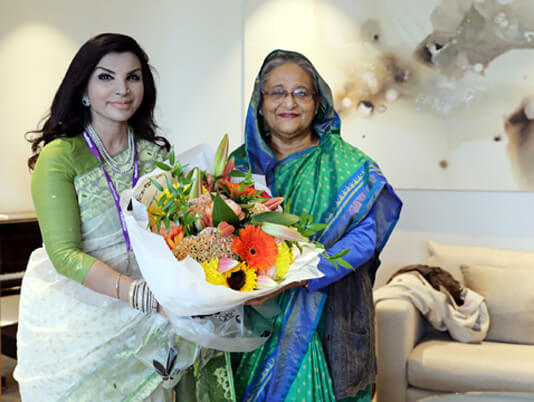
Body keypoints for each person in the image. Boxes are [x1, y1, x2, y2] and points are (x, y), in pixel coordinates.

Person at [230, 50, 402, 401]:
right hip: (251, 323)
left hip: (326, 317)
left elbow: (365, 239)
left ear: (317, 101)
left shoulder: (347, 164)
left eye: (301, 93)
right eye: (277, 92)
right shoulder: (238, 167)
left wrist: (301, 274)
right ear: (260, 103)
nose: (289, 102)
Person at [14, 33, 174, 401]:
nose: (122, 89)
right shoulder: (60, 156)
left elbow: (173, 234)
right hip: (81, 317)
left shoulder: (156, 156)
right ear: (83, 88)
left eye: (133, 77)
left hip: (149, 316)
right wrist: (138, 295)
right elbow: (63, 254)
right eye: (106, 77)